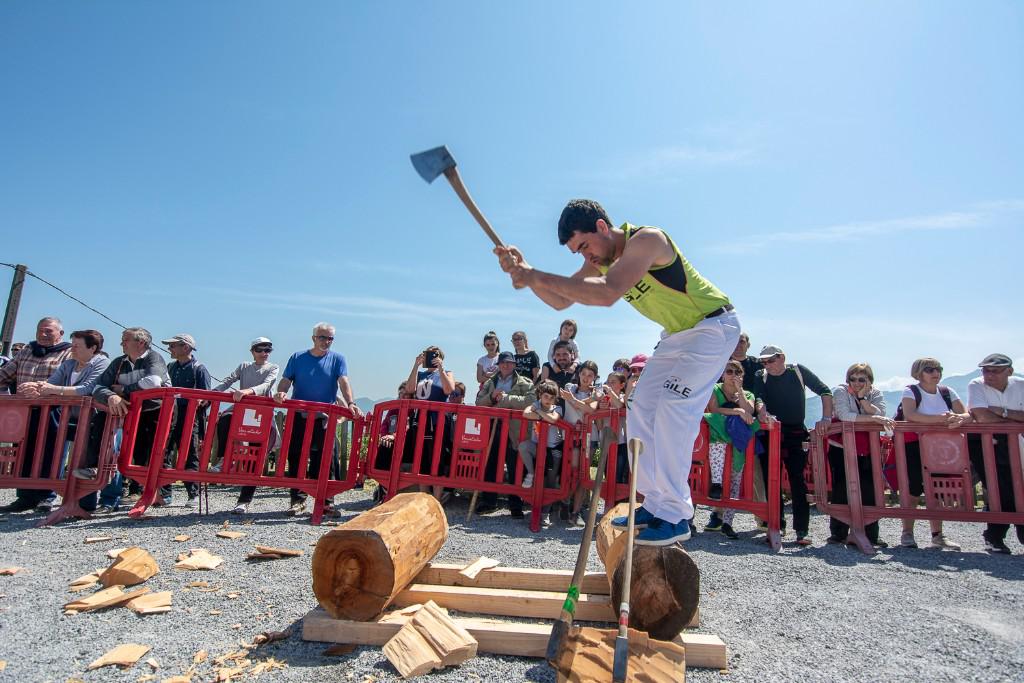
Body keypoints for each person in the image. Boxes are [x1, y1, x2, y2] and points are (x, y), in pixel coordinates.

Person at [497, 198, 740, 545]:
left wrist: (534, 276)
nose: (586, 257)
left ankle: (676, 514)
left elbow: (608, 293)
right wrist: (524, 273)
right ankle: (654, 502)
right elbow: (561, 300)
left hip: (712, 326)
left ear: (601, 227)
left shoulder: (648, 240)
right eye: (578, 253)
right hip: (677, 335)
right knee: (639, 405)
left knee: (673, 406)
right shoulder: (602, 258)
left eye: (585, 246)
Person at [74, 327, 173, 505]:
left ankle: (149, 492)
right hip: (128, 411)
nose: (121, 343)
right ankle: (95, 467)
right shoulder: (119, 362)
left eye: (126, 340)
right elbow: (98, 387)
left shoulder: (153, 357)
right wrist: (111, 397)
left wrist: (124, 390)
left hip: (155, 411)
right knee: (100, 423)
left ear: (141, 343)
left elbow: (154, 382)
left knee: (148, 451)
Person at [274, 322, 362, 517]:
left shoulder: (337, 359)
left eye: (330, 338)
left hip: (324, 417)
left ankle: (326, 502)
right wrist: (281, 392)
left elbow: (343, 381)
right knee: (296, 456)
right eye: (322, 337)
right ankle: (297, 500)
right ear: (313, 338)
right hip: (299, 414)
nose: (326, 341)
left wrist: (351, 403)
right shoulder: (297, 357)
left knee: (326, 458)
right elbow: (286, 380)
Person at [17, 330, 110, 512]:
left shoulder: (102, 363)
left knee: (84, 460)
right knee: (53, 452)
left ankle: (85, 504)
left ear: (92, 348)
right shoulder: (69, 364)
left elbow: (86, 389)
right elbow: (51, 383)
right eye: (72, 344)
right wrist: (36, 387)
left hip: (93, 421)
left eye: (76, 346)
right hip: (67, 416)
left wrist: (52, 389)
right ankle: (45, 494)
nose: (72, 349)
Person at [750, 344, 833, 546]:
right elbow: (759, 398)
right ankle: (776, 525)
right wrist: (762, 412)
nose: (767, 364)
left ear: (782, 357)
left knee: (797, 480)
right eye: (763, 361)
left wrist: (826, 418)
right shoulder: (761, 375)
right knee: (771, 480)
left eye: (770, 360)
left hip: (795, 433)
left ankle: (801, 530)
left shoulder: (797, 371)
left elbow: (824, 390)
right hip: (770, 432)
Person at [0, 317, 73, 512]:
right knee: (23, 451)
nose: (43, 334)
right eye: (40, 330)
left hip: (53, 409)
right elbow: (5, 375)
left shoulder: (68, 353)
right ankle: (24, 496)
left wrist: (42, 389)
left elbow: (69, 381)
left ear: (60, 334)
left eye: (49, 331)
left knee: (51, 451)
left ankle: (46, 496)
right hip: (23, 411)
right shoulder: (27, 350)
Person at [895, 357, 966, 550]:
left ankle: (937, 535)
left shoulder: (947, 391)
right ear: (919, 373)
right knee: (912, 488)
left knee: (936, 489)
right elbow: (910, 415)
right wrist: (941, 419)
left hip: (940, 447)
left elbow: (965, 413)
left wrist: (959, 418)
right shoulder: (911, 391)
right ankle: (907, 533)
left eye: (938, 368)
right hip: (914, 445)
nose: (936, 373)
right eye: (929, 369)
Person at [826, 363, 893, 547]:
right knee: (841, 488)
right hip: (841, 446)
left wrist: (863, 398)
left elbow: (881, 413)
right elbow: (844, 415)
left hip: (868, 448)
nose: (856, 383)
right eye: (852, 379)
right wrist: (873, 419)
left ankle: (871, 534)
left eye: (861, 379)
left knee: (870, 489)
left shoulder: (875, 393)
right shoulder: (840, 391)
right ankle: (838, 533)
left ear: (869, 381)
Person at [211, 337, 280, 514]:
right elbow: (228, 380)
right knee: (225, 419)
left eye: (267, 350)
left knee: (256, 457)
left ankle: (244, 501)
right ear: (252, 352)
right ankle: (224, 458)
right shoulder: (244, 366)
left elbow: (266, 385)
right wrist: (213, 393)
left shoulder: (273, 368)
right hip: (241, 410)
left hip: (261, 414)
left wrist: (246, 392)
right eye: (260, 349)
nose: (264, 353)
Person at [966, 353, 1024, 554]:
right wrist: (1016, 420)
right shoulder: (976, 384)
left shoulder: (1021, 385)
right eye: (986, 370)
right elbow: (982, 416)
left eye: (995, 371)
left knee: (1017, 487)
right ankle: (995, 536)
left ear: (1009, 371)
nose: (989, 375)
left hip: (1016, 443)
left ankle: (1001, 535)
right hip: (986, 444)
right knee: (1000, 488)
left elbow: (986, 414)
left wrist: (1001, 412)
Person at [703, 360, 764, 539]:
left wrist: (740, 392)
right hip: (717, 441)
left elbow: (749, 411)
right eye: (729, 371)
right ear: (722, 375)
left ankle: (728, 522)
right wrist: (737, 412)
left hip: (737, 444)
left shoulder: (748, 394)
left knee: (735, 480)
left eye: (737, 372)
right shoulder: (714, 389)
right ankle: (715, 489)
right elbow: (714, 410)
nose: (733, 375)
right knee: (714, 475)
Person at [474, 351, 536, 517]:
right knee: (491, 463)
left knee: (515, 464)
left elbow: (531, 401)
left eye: (509, 362)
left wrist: (507, 399)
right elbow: (479, 402)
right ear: (499, 365)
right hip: (493, 426)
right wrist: (492, 397)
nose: (506, 365)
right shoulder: (490, 382)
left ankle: (515, 504)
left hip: (516, 428)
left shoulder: (526, 382)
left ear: (514, 365)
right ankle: (489, 501)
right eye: (503, 363)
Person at [161, 333, 211, 507]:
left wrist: (200, 401)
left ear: (186, 347)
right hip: (171, 414)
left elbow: (207, 397)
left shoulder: (199, 369)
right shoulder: (170, 367)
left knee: (190, 453)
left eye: (173, 345)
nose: (170, 349)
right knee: (164, 451)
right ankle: (164, 494)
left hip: (191, 417)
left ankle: (193, 494)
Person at [405, 345, 457, 501]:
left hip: (438, 420)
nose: (432, 358)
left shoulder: (447, 373)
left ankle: (437, 498)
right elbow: (409, 389)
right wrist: (416, 365)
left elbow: (449, 390)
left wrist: (440, 368)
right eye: (429, 354)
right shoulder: (420, 374)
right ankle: (423, 497)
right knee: (421, 458)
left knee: (437, 457)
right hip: (420, 420)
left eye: (435, 355)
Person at [518, 380, 564, 528]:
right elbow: (525, 413)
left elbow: (553, 419)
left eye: (551, 397)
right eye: (545, 396)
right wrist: (540, 414)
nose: (548, 400)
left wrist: (538, 413)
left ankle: (545, 514)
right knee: (523, 446)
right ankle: (531, 473)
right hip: (537, 446)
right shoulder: (536, 404)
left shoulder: (557, 408)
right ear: (540, 395)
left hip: (553, 449)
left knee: (550, 482)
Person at [560, 360, 600, 524]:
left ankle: (575, 511)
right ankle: (565, 503)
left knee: (583, 473)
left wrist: (574, 401)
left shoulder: (596, 392)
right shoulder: (570, 387)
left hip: (590, 437)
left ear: (594, 377)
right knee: (572, 471)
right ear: (578, 374)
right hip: (571, 436)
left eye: (590, 375)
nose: (586, 377)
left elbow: (591, 410)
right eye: (583, 373)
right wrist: (582, 402)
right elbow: (585, 407)